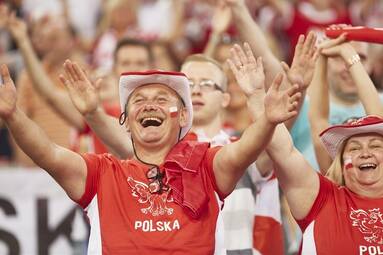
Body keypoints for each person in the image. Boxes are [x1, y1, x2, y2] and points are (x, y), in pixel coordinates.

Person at [0, 61, 301, 253]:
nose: (149, 106)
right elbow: (48, 153)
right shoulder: (102, 173)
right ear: (126, 120)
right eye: (139, 101)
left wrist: (266, 118)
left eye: (161, 100)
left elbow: (245, 148)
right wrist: (13, 116)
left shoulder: (206, 164)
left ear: (183, 115)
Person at [264, 113, 383, 254]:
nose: (365, 154)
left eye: (375, 146)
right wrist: (258, 98)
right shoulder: (321, 200)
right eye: (354, 149)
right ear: (341, 164)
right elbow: (284, 152)